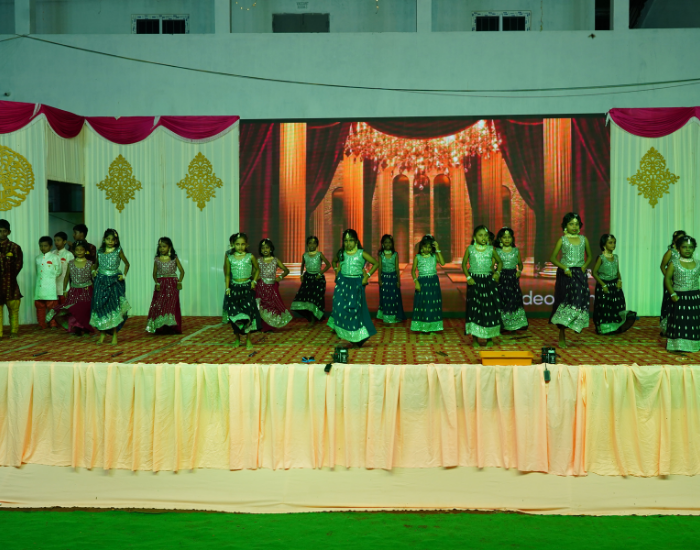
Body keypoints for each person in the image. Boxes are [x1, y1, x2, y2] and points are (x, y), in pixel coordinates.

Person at [549, 212, 593, 348]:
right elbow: (553, 258)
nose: (574, 227)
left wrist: (584, 266)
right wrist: (565, 268)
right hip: (565, 274)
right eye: (571, 224)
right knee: (565, 302)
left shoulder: (584, 239)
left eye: (576, 224)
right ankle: (562, 334)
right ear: (565, 226)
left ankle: (576, 323)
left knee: (580, 299)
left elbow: (590, 256)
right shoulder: (562, 240)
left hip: (579, 273)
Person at [328, 229, 378, 348]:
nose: (348, 243)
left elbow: (376, 263)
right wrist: (336, 270)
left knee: (354, 311)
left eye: (351, 240)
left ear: (356, 241)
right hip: (342, 283)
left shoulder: (361, 253)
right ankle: (347, 334)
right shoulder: (341, 253)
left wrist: (367, 276)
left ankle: (357, 339)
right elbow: (334, 261)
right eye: (345, 240)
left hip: (356, 284)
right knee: (339, 307)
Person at [463, 225, 503, 347]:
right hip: (474, 282)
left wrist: (497, 273)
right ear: (475, 237)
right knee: (475, 308)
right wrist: (468, 277)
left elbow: (500, 262)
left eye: (485, 235)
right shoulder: (470, 249)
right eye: (480, 235)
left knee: (489, 309)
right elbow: (464, 264)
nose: (483, 237)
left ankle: (489, 337)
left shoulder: (491, 249)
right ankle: (475, 339)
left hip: (488, 282)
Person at [90, 229, 131, 345]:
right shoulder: (100, 252)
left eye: (113, 239)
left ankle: (114, 335)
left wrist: (124, 276)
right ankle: (102, 334)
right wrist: (93, 271)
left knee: (113, 308)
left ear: (116, 241)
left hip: (114, 282)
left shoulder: (118, 251)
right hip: (100, 282)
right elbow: (95, 265)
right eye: (108, 239)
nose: (110, 241)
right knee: (101, 307)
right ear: (104, 239)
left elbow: (127, 264)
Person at [222, 232, 262, 349]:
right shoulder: (230, 258)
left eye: (242, 244)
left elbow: (257, 269)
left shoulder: (250, 256)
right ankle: (237, 338)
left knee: (248, 315)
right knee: (234, 315)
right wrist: (227, 287)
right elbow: (227, 274)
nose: (240, 247)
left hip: (246, 289)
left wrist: (254, 281)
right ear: (233, 245)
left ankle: (248, 339)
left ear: (246, 245)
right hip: (234, 289)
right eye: (237, 244)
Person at [46, 240, 95, 335]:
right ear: (74, 251)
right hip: (74, 291)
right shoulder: (71, 263)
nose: (79, 252)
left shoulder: (90, 263)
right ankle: (78, 328)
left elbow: (94, 277)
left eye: (81, 249)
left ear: (85, 251)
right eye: (77, 250)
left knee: (85, 310)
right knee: (75, 309)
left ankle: (86, 328)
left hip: (87, 291)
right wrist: (64, 290)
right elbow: (66, 277)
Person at [591, 234, 637, 335]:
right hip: (604, 286)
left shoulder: (616, 257)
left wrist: (620, 280)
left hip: (614, 285)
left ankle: (614, 327)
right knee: (605, 307)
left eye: (614, 242)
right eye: (610, 243)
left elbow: (617, 271)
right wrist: (603, 285)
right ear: (604, 245)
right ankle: (604, 329)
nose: (613, 245)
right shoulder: (601, 258)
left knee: (616, 306)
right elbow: (594, 272)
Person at [665, 236, 700, 353]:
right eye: (684, 247)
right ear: (679, 248)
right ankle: (678, 345)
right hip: (679, 297)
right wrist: (672, 294)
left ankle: (693, 345)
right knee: (679, 321)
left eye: (690, 247)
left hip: (694, 297)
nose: (687, 249)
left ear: (694, 248)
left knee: (693, 321)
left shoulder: (698, 263)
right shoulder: (674, 263)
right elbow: (667, 279)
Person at [146, 237, 184, 334]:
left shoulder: (174, 258)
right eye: (160, 247)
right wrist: (156, 282)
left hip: (172, 284)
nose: (162, 249)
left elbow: (182, 271)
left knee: (171, 305)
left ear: (169, 247)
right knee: (159, 305)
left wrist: (179, 282)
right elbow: (154, 273)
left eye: (164, 246)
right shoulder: (157, 259)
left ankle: (171, 327)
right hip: (161, 284)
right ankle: (160, 327)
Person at [290, 236, 332, 325]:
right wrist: (301, 275)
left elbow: (328, 265)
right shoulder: (305, 255)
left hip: (317, 279)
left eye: (314, 243)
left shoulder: (319, 254)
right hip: (308, 278)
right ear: (307, 244)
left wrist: (320, 273)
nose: (312, 245)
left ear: (317, 245)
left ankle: (315, 317)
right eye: (310, 243)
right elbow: (302, 265)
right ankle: (311, 318)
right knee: (307, 298)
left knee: (315, 299)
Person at [494, 227, 528, 332]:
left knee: (514, 299)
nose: (507, 239)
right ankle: (503, 324)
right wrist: (496, 274)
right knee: (502, 299)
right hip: (501, 278)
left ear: (512, 238)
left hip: (513, 278)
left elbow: (520, 264)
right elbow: (492, 265)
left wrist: (519, 271)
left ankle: (516, 323)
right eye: (504, 237)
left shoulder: (516, 251)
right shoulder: (497, 251)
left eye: (509, 237)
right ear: (500, 239)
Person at [255, 238, 292, 331]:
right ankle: (263, 326)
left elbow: (286, 270)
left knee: (272, 306)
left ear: (271, 249)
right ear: (260, 250)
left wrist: (280, 277)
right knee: (262, 306)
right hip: (261, 287)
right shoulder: (258, 261)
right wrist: (256, 277)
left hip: (272, 287)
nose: (265, 250)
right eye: (263, 248)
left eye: (267, 247)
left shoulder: (275, 260)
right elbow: (253, 273)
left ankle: (272, 326)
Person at [411, 234, 444, 333]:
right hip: (422, 282)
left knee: (433, 304)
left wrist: (438, 249)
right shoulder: (417, 257)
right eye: (425, 246)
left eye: (429, 247)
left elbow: (442, 263)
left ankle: (433, 327)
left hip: (433, 282)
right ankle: (422, 327)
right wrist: (416, 282)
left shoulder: (434, 256)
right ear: (421, 246)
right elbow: (413, 271)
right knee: (423, 304)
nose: (427, 249)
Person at [659, 230, 685, 336]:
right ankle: (667, 328)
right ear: (674, 240)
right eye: (679, 239)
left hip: (682, 281)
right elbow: (662, 266)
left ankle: (680, 326)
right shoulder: (671, 252)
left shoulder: (684, 251)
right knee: (669, 303)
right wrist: (668, 278)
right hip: (671, 281)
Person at [0, 219, 23, 338]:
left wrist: (8, 275)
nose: (2, 234)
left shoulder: (15, 247)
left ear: (9, 232)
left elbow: (18, 265)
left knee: (14, 310)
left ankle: (14, 331)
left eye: (4, 231)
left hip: (11, 284)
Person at [376, 234, 406, 324]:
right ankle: (385, 316)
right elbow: (380, 268)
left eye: (389, 242)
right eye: (386, 242)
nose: (388, 244)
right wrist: (379, 280)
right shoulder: (381, 254)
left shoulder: (395, 254)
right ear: (382, 244)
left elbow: (397, 268)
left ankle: (394, 316)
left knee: (393, 297)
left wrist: (398, 281)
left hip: (393, 278)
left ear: (392, 244)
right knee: (385, 297)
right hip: (384, 278)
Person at [34, 236, 61, 329]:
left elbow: (59, 271)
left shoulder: (55, 257)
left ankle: (53, 324)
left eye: (45, 246)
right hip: (39, 286)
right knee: (39, 306)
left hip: (50, 286)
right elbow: (37, 272)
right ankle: (41, 324)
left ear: (50, 246)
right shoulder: (37, 258)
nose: (43, 248)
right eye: (41, 246)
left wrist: (50, 278)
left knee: (52, 307)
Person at [52, 231, 74, 305]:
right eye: (55, 240)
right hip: (53, 288)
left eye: (58, 240)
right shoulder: (52, 253)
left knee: (64, 308)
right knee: (54, 309)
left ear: (64, 241)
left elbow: (72, 272)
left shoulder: (68, 254)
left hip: (64, 287)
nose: (56, 242)